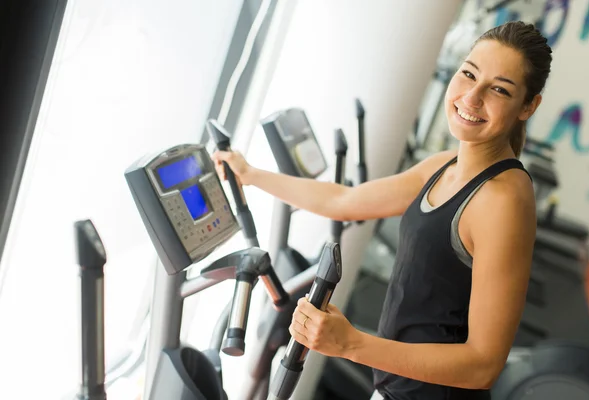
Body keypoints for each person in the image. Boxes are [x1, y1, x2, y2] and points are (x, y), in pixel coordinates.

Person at [212, 20, 552, 400]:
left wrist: (351, 344)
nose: (471, 98)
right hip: (395, 388)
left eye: (499, 90)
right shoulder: (444, 165)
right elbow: (342, 202)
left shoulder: (502, 201)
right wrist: (251, 174)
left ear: (528, 106)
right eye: (468, 74)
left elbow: (483, 365)